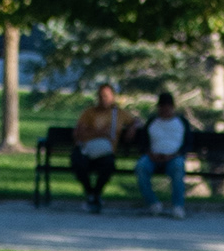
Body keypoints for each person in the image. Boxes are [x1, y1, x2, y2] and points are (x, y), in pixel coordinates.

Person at [70, 80, 125, 210]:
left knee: (109, 164)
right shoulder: (89, 113)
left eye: (106, 96)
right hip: (87, 151)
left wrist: (134, 127)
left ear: (112, 97)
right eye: (100, 96)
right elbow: (78, 132)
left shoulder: (119, 114)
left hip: (106, 153)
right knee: (78, 161)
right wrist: (99, 132)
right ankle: (90, 193)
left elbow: (136, 122)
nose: (103, 99)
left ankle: (96, 193)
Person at [133, 90, 190, 217]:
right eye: (162, 107)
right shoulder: (152, 122)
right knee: (141, 167)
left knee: (178, 167)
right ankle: (153, 203)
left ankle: (178, 206)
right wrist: (149, 153)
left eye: (167, 107)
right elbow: (143, 142)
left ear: (172, 107)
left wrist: (175, 154)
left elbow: (187, 144)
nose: (164, 110)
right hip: (153, 157)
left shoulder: (181, 123)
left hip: (173, 157)